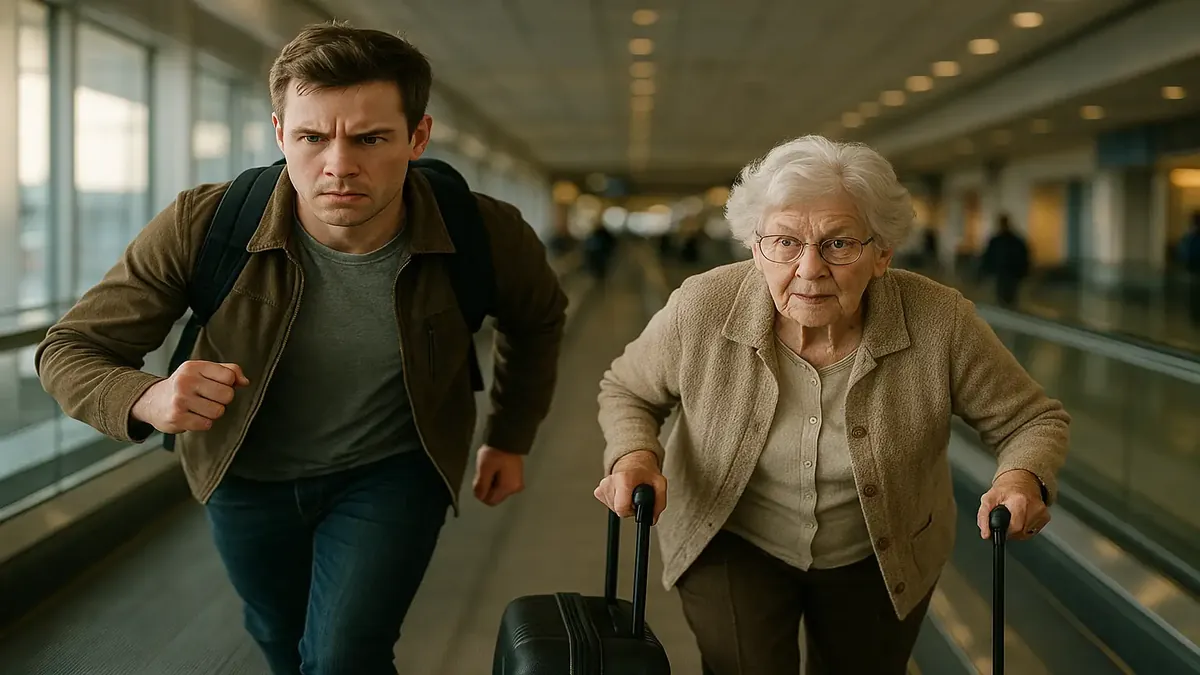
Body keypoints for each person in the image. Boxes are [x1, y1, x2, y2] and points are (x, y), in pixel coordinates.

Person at [35, 22, 567, 675]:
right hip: (246, 475)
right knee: (282, 642)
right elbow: (70, 348)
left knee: (344, 657)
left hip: (393, 469)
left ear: (418, 137)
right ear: (281, 132)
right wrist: (147, 397)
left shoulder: (480, 229)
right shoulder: (205, 224)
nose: (339, 165)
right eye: (313, 137)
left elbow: (538, 319)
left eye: (370, 138)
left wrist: (509, 435)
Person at [593, 135, 1069, 674]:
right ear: (756, 249)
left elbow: (1031, 419)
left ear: (882, 253)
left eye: (839, 244)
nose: (809, 268)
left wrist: (1021, 477)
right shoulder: (702, 308)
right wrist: (635, 456)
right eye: (785, 242)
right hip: (731, 537)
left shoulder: (941, 322)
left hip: (880, 550)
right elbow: (628, 389)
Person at [979, 213, 1030, 307]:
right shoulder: (1011, 241)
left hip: (1008, 274)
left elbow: (989, 257)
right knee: (1005, 296)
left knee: (1007, 296)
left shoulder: (1000, 241)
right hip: (1005, 274)